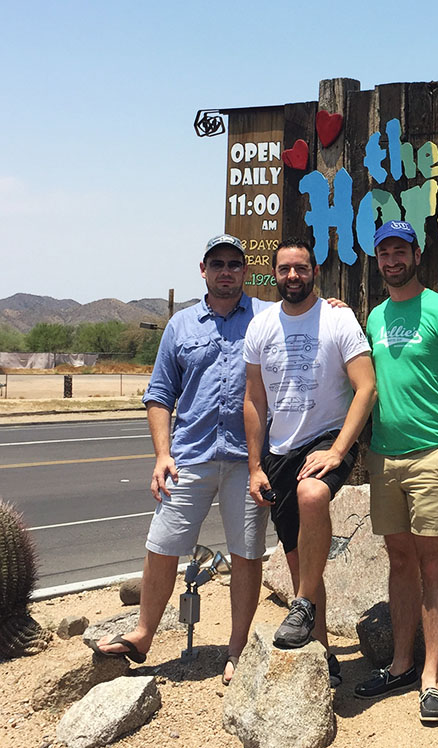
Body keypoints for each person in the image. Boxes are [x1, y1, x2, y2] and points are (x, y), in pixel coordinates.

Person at [95, 234, 269, 686]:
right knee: (162, 545)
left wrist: (332, 308)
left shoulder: (267, 317)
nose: (226, 271)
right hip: (190, 456)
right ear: (203, 270)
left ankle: (237, 648)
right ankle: (143, 634)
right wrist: (161, 454)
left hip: (247, 460)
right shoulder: (181, 326)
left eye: (234, 263)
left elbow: (306, 318)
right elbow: (159, 395)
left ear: (245, 271)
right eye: (218, 263)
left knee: (246, 552)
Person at [351, 220, 438, 724]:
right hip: (384, 457)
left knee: (433, 564)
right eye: (385, 253)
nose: (392, 260)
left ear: (417, 255)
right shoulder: (375, 317)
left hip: (430, 455)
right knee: (399, 561)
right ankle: (401, 665)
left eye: (400, 251)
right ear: (377, 260)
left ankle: (432, 678)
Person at [243, 237, 376, 687]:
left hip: (327, 438)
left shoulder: (338, 318)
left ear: (315, 271)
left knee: (313, 493)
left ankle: (300, 607)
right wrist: (255, 466)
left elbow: (367, 387)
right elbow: (254, 399)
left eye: (301, 268)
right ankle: (322, 657)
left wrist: (338, 450)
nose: (293, 276)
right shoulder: (261, 326)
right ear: (274, 274)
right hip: (279, 451)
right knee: (302, 564)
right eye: (285, 269)